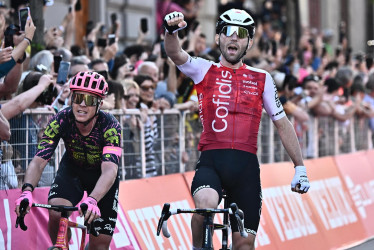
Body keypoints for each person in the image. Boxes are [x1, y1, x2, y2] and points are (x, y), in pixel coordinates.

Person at [163, 9, 311, 249]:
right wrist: (170, 31)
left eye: (241, 33)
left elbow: (282, 123)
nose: (234, 38)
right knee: (205, 206)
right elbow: (175, 53)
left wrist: (300, 168)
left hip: (246, 170)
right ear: (218, 37)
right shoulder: (203, 69)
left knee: (244, 245)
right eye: (228, 32)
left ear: (249, 42)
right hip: (212, 162)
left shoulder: (262, 78)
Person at [15, 71, 122, 249]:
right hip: (72, 171)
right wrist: (26, 191)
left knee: (100, 246)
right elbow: (39, 160)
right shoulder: (61, 119)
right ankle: (61, 245)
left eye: (89, 100)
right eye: (77, 97)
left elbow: (110, 169)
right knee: (56, 211)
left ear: (100, 104)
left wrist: (94, 199)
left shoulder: (110, 125)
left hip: (102, 176)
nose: (81, 104)